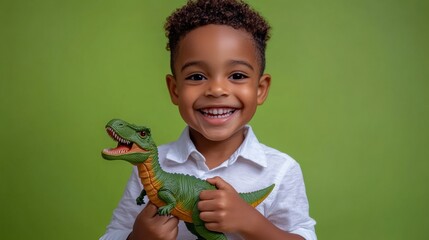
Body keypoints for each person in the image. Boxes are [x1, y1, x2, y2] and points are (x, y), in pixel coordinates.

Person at [100, 0, 317, 239]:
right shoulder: (148, 164)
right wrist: (138, 237)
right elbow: (114, 234)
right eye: (196, 76)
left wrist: (252, 222)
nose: (216, 90)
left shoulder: (282, 170)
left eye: (236, 75)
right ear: (175, 90)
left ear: (260, 89)